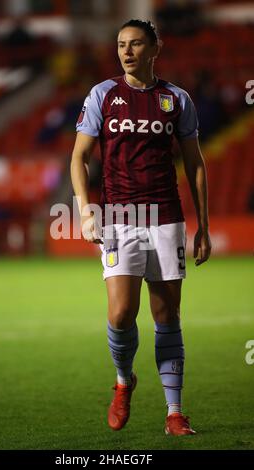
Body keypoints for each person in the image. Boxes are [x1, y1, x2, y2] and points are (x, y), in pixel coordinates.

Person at [70, 19, 211, 436]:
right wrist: (84, 210)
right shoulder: (103, 95)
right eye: (120, 45)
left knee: (167, 314)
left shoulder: (176, 99)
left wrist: (203, 225)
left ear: (155, 49)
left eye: (135, 44)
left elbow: (195, 162)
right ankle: (123, 379)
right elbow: (78, 158)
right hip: (117, 218)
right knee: (120, 312)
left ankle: (174, 412)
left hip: (166, 217)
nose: (126, 51)